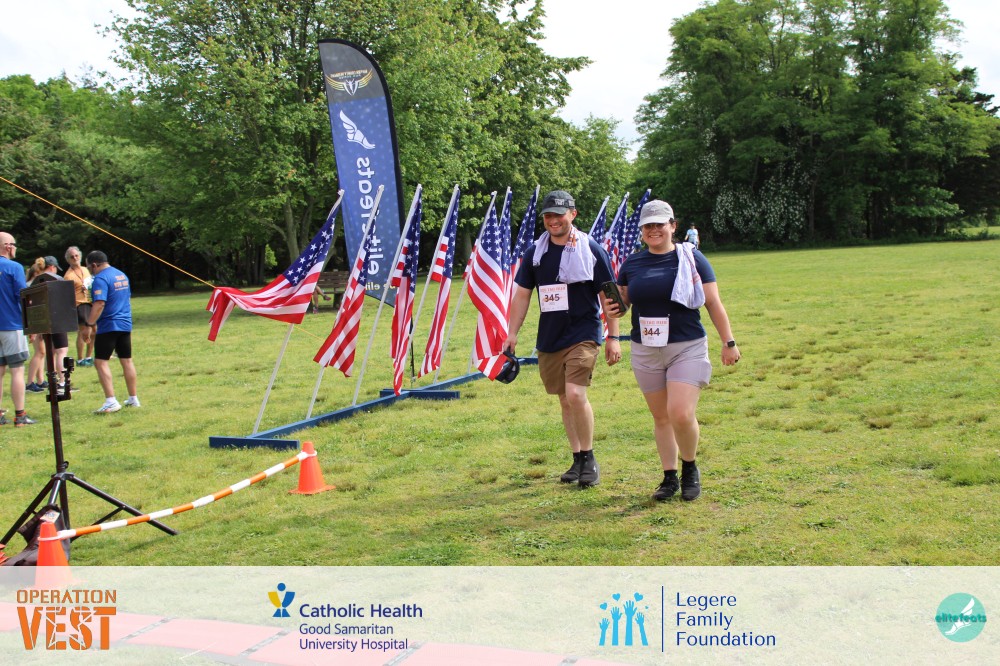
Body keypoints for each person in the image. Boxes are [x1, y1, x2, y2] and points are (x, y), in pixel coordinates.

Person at [604, 200, 740, 501]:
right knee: (661, 417)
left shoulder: (692, 258)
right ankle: (669, 477)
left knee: (680, 413)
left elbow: (713, 302)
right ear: (642, 230)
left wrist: (728, 342)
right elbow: (619, 305)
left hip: (686, 346)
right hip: (646, 350)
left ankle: (690, 467)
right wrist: (612, 332)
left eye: (660, 224)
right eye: (648, 225)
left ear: (672, 226)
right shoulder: (632, 264)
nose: (654, 230)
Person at [505, 190, 622, 487]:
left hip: (584, 332)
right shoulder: (535, 253)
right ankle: (577, 458)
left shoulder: (591, 249)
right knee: (564, 399)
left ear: (573, 214)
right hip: (551, 335)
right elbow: (522, 295)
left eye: (559, 214)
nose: (553, 220)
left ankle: (590, 458)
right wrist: (512, 333)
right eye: (548, 216)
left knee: (575, 394)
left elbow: (609, 295)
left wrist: (614, 336)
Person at [83, 251, 140, 413]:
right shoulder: (121, 275)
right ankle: (133, 398)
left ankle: (111, 401)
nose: (90, 272)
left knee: (100, 362)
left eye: (89, 268)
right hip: (125, 323)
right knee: (126, 360)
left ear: (94, 265)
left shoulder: (100, 279)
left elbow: (99, 303)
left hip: (109, 325)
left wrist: (89, 324)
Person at [0, 231, 36, 426]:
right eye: (13, 244)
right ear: (7, 246)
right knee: (16, 370)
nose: (15, 248)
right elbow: (23, 298)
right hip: (12, 325)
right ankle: (20, 416)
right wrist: (31, 325)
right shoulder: (14, 267)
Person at [28, 256, 72, 395]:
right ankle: (62, 382)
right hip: (57, 320)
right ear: (52, 267)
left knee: (50, 352)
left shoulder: (37, 282)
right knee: (61, 351)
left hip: (43, 321)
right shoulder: (55, 280)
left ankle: (49, 380)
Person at [64, 245, 94, 366]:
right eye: (72, 257)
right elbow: (67, 295)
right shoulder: (68, 276)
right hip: (79, 304)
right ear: (68, 259)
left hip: (90, 301)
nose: (75, 258)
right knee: (83, 331)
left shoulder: (86, 270)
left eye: (76, 255)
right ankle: (81, 359)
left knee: (94, 330)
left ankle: (89, 357)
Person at [24, 258, 49, 392]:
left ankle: (40, 380)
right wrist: (32, 329)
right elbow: (29, 308)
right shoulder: (31, 287)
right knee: (40, 352)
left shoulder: (31, 285)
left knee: (41, 352)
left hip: (37, 322)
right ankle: (29, 383)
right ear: (37, 274)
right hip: (34, 323)